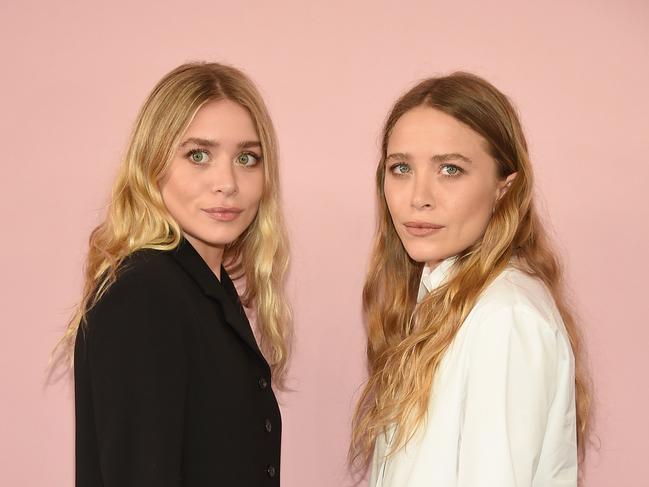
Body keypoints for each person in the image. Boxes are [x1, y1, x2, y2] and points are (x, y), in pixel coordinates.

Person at [55, 62, 291, 486]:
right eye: (198, 155)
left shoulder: (201, 292)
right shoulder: (146, 296)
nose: (227, 182)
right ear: (152, 164)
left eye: (247, 158)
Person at [350, 73, 591, 486]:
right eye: (401, 168)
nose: (418, 196)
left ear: (504, 187)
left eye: (450, 169)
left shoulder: (504, 318)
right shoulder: (438, 303)